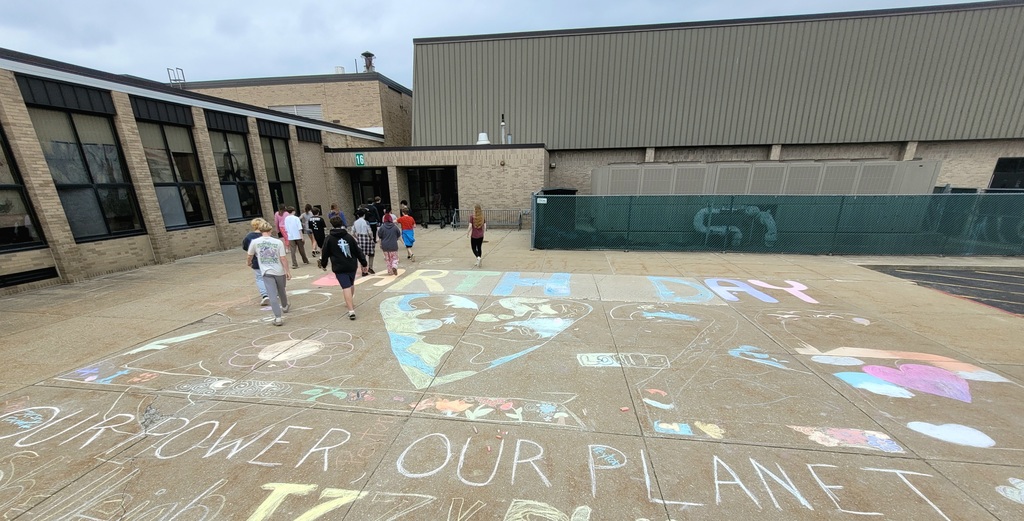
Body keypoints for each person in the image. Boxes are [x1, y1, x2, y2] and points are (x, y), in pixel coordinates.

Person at [318, 217, 368, 320]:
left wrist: (324, 264)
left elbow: (325, 252)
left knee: (346, 286)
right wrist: (364, 263)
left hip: (339, 266)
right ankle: (350, 301)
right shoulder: (349, 237)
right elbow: (357, 250)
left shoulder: (329, 238)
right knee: (350, 284)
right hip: (351, 264)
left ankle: (351, 310)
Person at [246, 220, 291, 326]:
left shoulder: (255, 242)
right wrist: (287, 271)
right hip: (279, 271)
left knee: (272, 295)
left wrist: (249, 263)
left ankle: (278, 318)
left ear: (260, 230)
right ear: (270, 230)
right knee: (281, 289)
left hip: (266, 271)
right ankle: (285, 306)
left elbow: (249, 255)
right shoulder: (278, 242)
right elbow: (283, 258)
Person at [242, 218, 270, 306]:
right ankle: (273, 292)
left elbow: (246, 247)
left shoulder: (249, 236)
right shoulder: (266, 234)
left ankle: (265, 295)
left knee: (260, 278)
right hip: (268, 259)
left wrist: (249, 261)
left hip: (256, 260)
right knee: (270, 276)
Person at [352, 207, 376, 275]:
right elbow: (369, 231)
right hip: (367, 238)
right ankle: (370, 267)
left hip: (359, 239)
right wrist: (372, 238)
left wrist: (357, 237)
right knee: (371, 253)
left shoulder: (355, 222)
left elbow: (352, 232)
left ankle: (364, 270)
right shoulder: (366, 222)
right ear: (364, 215)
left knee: (362, 255)